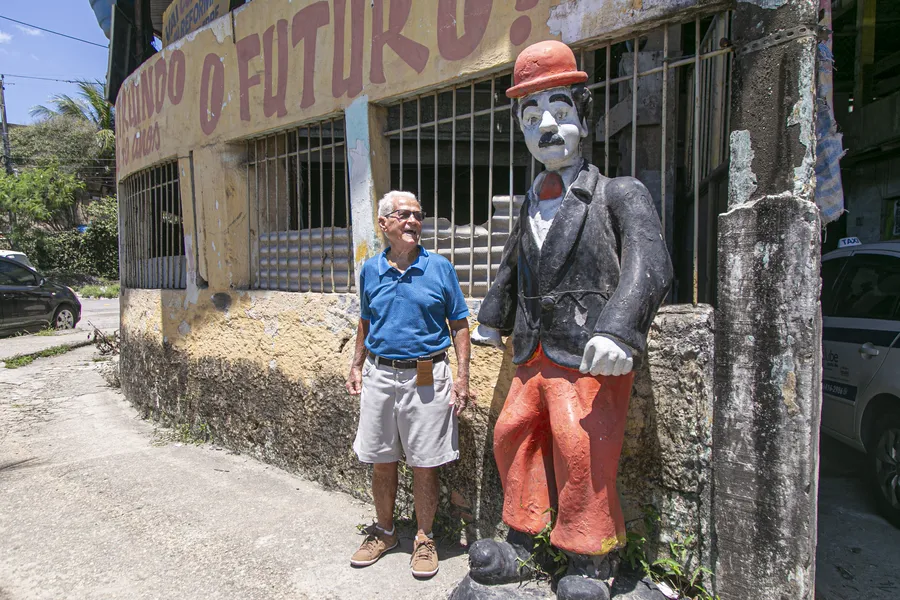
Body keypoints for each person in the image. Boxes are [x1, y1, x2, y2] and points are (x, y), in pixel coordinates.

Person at [465, 40, 673, 600]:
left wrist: (619, 328)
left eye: (558, 111)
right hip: (532, 350)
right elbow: (514, 265)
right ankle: (525, 535)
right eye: (532, 118)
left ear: (583, 114)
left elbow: (650, 263)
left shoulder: (619, 194)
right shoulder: (530, 203)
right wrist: (491, 317)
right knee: (513, 434)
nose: (546, 128)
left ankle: (590, 554)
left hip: (588, 349)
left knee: (581, 448)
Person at [345, 190, 474, 579]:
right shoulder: (370, 269)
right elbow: (366, 322)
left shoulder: (439, 268)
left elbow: (460, 324)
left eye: (418, 215)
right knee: (382, 459)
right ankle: (385, 533)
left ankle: (424, 537)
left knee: (424, 461)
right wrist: (356, 364)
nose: (413, 222)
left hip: (425, 373)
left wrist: (463, 377)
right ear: (383, 224)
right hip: (381, 373)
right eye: (403, 215)